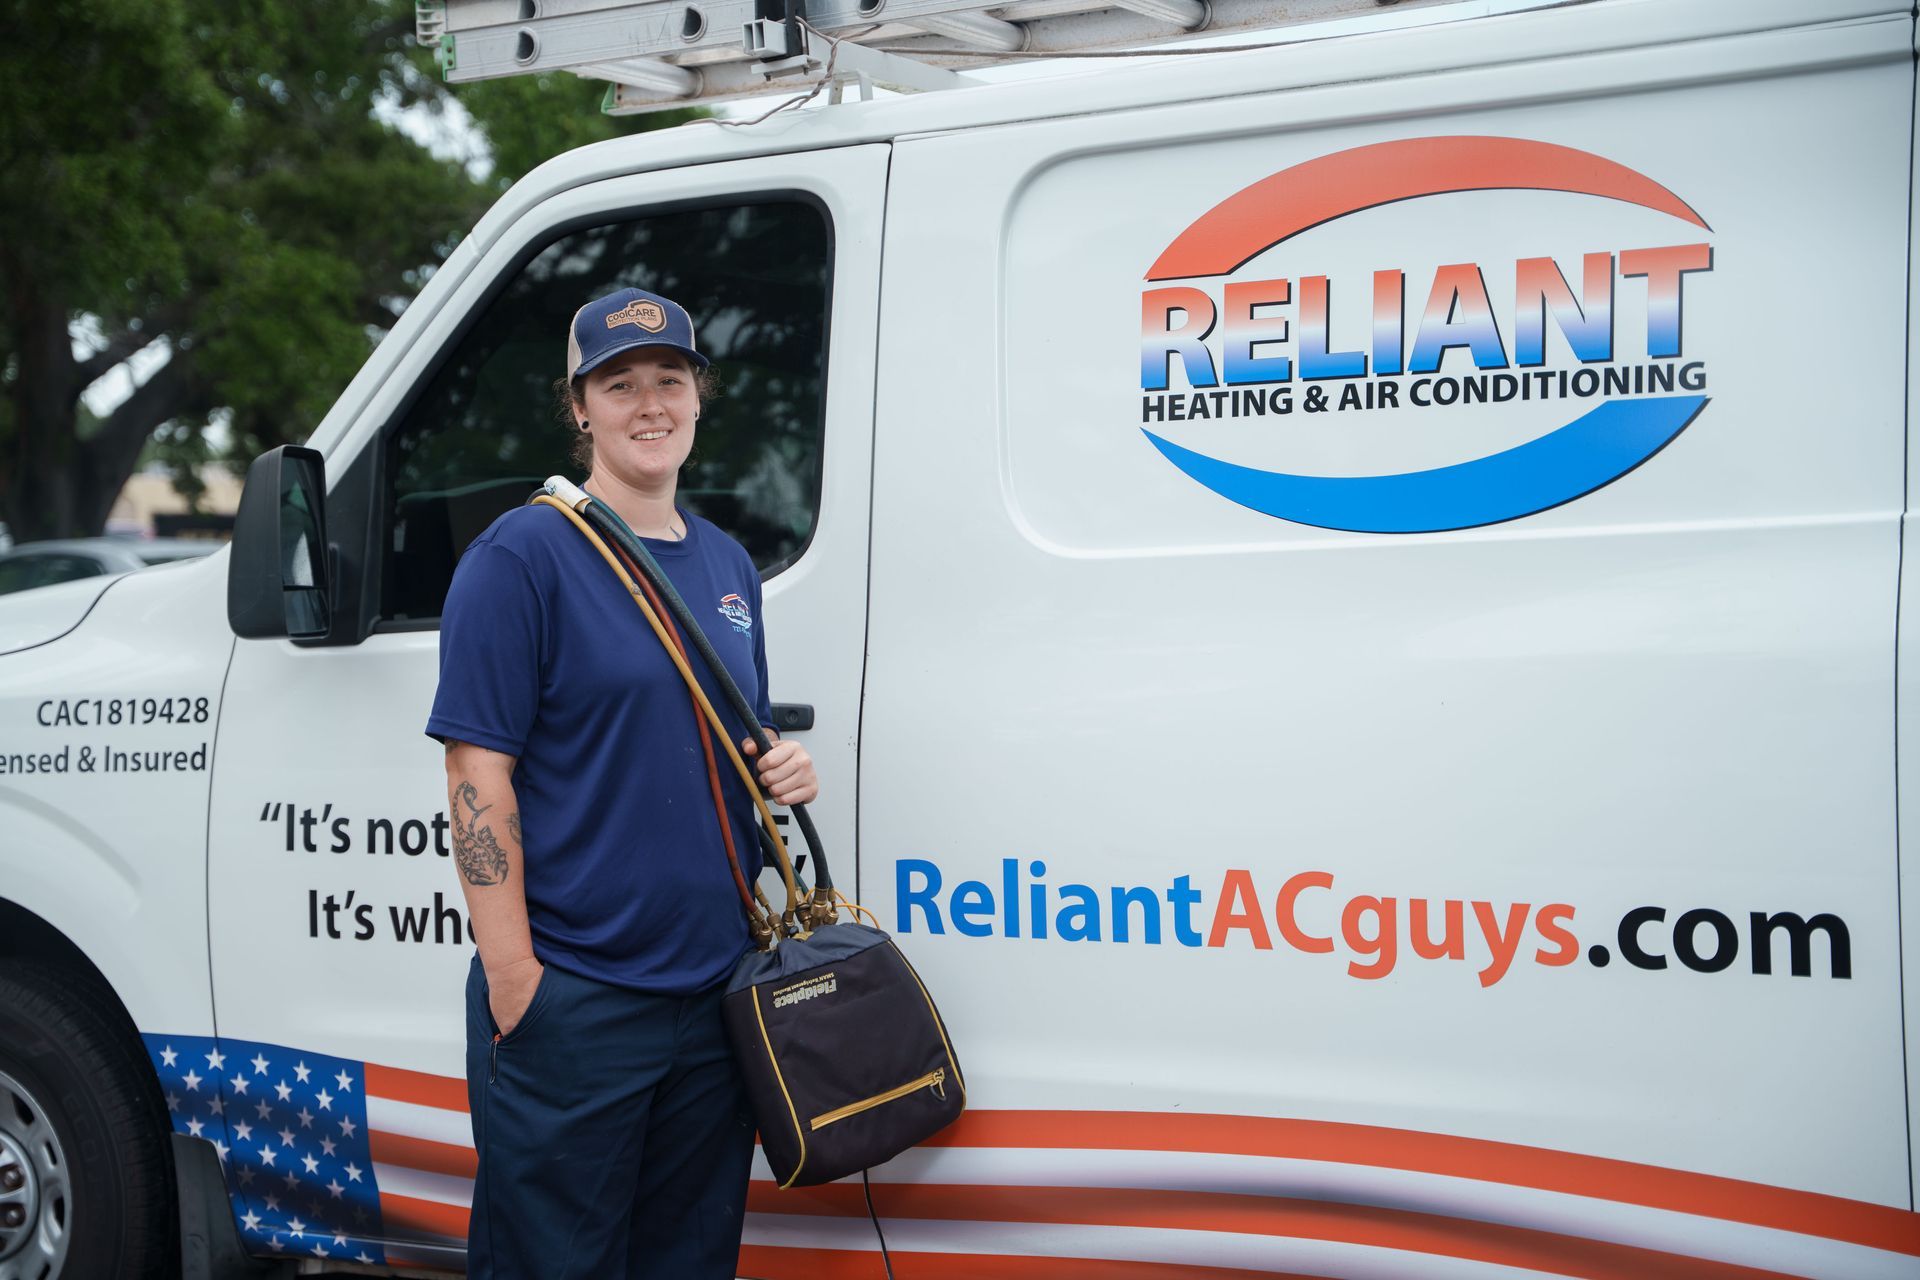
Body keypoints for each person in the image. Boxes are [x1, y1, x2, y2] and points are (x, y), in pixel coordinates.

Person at [424, 285, 818, 1279]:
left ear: (699, 394)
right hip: (578, 997)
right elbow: (477, 768)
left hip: (710, 997)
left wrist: (780, 764)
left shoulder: (729, 564)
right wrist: (518, 983)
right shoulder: (520, 556)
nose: (650, 403)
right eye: (620, 382)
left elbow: (720, 741)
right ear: (579, 407)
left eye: (669, 379)